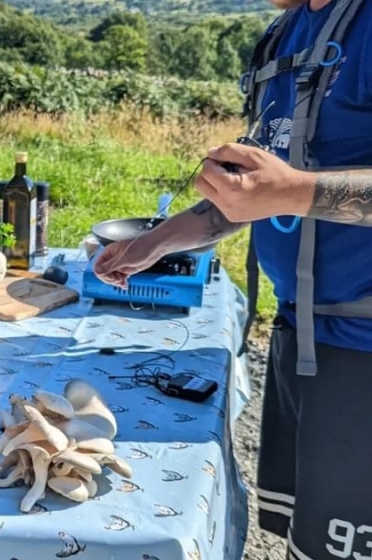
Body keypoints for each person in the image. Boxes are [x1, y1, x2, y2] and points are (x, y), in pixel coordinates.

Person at [93, 0, 372, 558]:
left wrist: (295, 191)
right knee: (307, 542)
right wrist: (153, 243)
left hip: (363, 353)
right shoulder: (282, 36)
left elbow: (287, 188)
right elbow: (256, 192)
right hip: (303, 335)